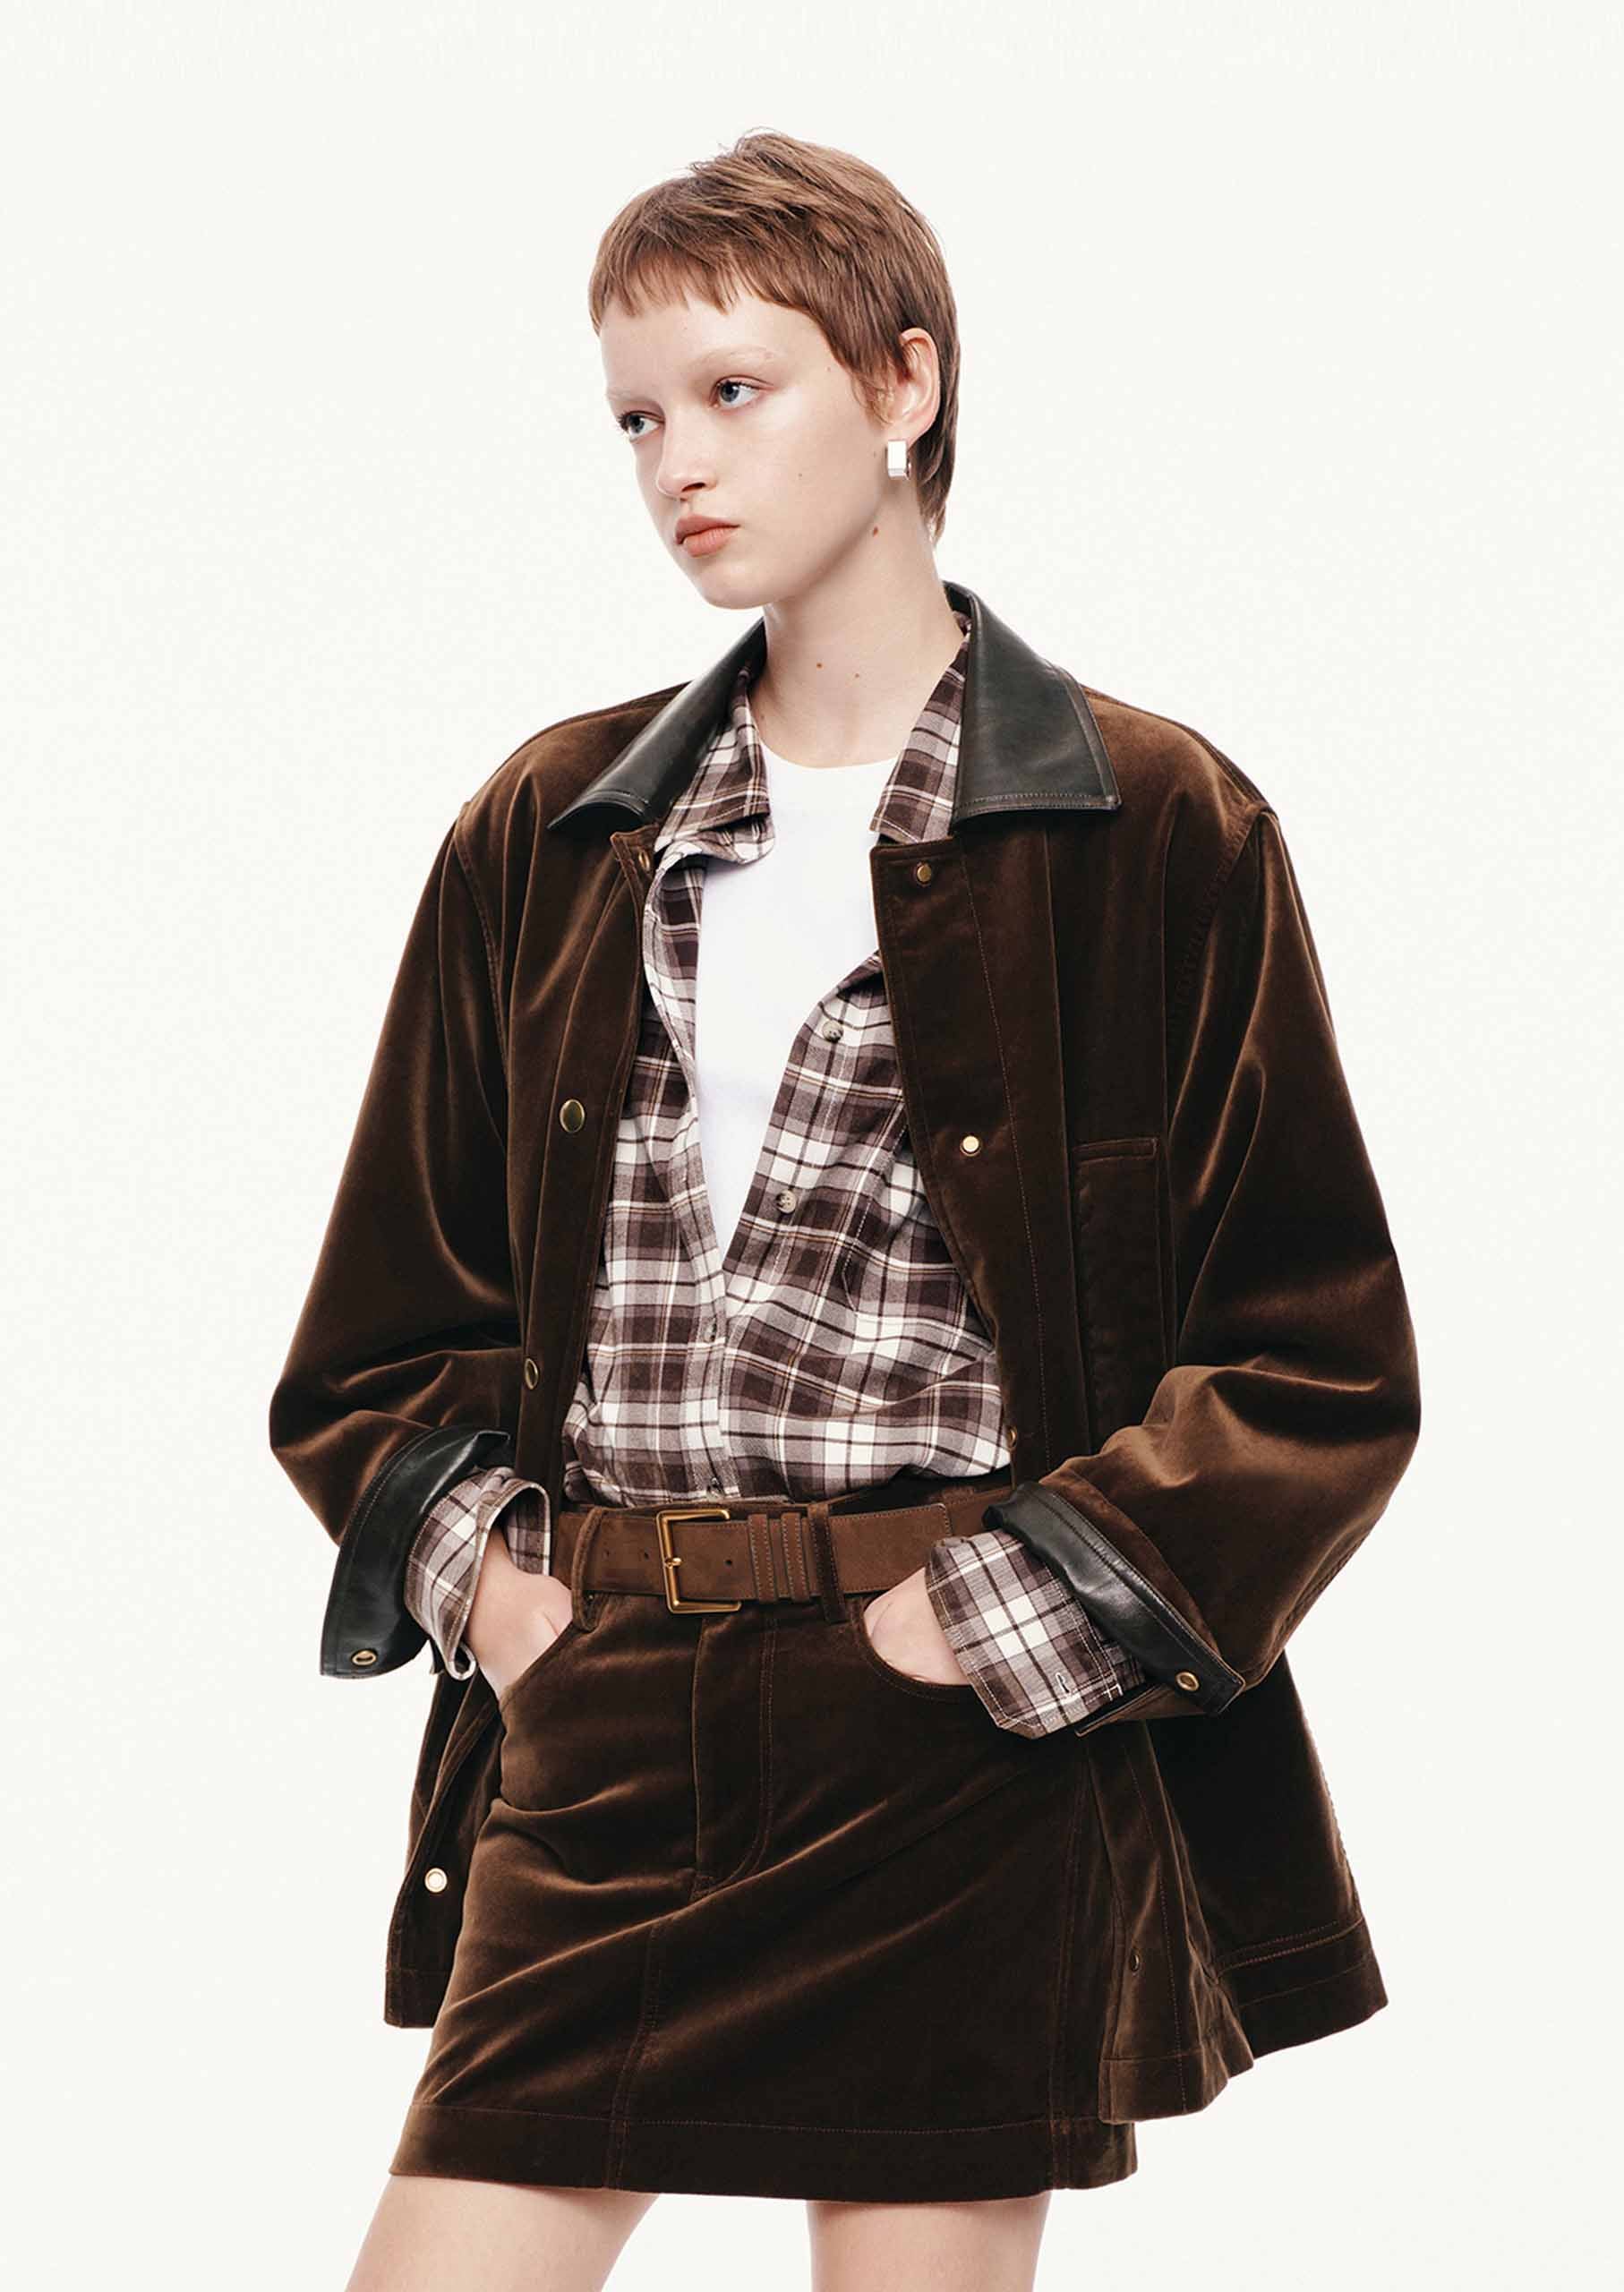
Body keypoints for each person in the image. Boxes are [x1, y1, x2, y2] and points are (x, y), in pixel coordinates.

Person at [269, 130, 1422, 2292]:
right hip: (602, 1715)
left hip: (952, 1739)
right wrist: (501, 1597)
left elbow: (1314, 1359)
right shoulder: (555, 826)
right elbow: (379, 1335)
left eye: (734, 389)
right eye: (635, 417)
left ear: (904, 384)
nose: (677, 462)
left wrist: (986, 1626)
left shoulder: (1146, 821)